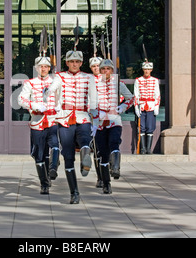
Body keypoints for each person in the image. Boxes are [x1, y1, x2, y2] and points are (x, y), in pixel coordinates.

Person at [46, 50, 98, 204]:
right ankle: (74, 192)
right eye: (71, 61)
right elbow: (53, 87)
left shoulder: (88, 77)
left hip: (82, 116)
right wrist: (48, 92)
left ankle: (85, 160)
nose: (74, 64)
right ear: (67, 63)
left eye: (77, 62)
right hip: (65, 117)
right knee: (68, 156)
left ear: (81, 63)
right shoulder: (60, 76)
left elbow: (93, 100)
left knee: (84, 139)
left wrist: (95, 119)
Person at [18, 55, 59, 195]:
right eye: (41, 67)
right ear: (37, 68)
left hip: (53, 120)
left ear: (49, 68)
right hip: (37, 121)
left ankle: (53, 170)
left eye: (46, 66)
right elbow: (21, 99)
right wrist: (33, 105)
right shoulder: (30, 83)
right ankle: (44, 183)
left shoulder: (55, 81)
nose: (44, 69)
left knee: (54, 145)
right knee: (39, 154)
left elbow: (62, 97)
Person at [94, 59, 134, 194]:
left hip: (114, 120)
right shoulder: (94, 84)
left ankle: (116, 167)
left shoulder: (118, 84)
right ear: (100, 71)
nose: (106, 71)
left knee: (114, 142)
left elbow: (131, 98)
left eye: (108, 69)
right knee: (102, 153)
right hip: (99, 123)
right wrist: (94, 111)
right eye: (103, 69)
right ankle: (106, 183)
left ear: (112, 71)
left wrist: (122, 107)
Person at [134, 60, 161, 154]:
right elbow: (136, 95)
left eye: (148, 69)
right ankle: (143, 148)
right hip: (141, 106)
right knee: (142, 127)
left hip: (151, 106)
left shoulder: (155, 80)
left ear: (151, 70)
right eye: (145, 69)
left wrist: (156, 107)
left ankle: (149, 149)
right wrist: (136, 108)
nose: (146, 71)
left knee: (150, 127)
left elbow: (157, 95)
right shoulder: (138, 80)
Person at [89, 56, 104, 189]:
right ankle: (100, 177)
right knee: (96, 148)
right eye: (93, 66)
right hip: (94, 117)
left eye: (98, 66)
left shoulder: (108, 78)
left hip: (107, 116)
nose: (96, 68)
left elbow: (119, 95)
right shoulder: (88, 80)